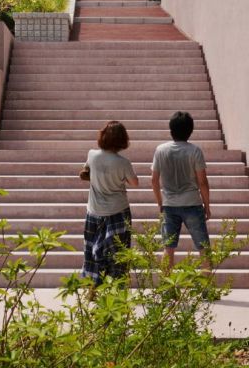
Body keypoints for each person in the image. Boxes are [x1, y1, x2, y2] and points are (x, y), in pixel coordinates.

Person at [79, 120, 139, 285]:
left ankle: (93, 290)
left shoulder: (92, 155)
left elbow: (85, 172)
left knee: (92, 253)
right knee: (119, 254)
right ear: (122, 139)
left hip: (94, 212)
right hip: (118, 212)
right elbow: (135, 183)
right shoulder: (123, 162)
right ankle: (119, 291)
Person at [151, 111, 211, 268]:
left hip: (169, 204)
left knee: (168, 248)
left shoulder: (161, 150)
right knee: (203, 247)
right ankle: (207, 289)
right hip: (192, 202)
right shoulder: (195, 151)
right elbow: (203, 182)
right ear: (190, 131)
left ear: (171, 131)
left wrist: (160, 202)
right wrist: (207, 206)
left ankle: (168, 289)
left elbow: (154, 180)